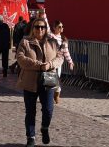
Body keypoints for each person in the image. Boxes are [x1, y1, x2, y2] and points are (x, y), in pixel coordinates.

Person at [16, 17, 62, 147]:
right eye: (37, 27)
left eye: (42, 27)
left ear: (46, 29)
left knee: (48, 109)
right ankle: (31, 137)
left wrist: (51, 64)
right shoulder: (25, 42)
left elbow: (60, 57)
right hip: (30, 81)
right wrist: (38, 65)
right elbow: (20, 58)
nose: (40, 29)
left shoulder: (52, 42)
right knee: (30, 111)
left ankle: (44, 128)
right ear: (33, 28)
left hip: (48, 79)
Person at [52, 20, 74, 104]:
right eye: (59, 27)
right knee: (48, 79)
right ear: (54, 28)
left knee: (56, 78)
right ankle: (49, 95)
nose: (61, 28)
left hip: (58, 62)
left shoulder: (63, 39)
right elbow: (46, 27)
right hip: (50, 60)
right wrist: (44, 15)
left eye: (62, 27)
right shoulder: (51, 36)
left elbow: (66, 52)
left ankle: (56, 93)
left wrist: (70, 62)